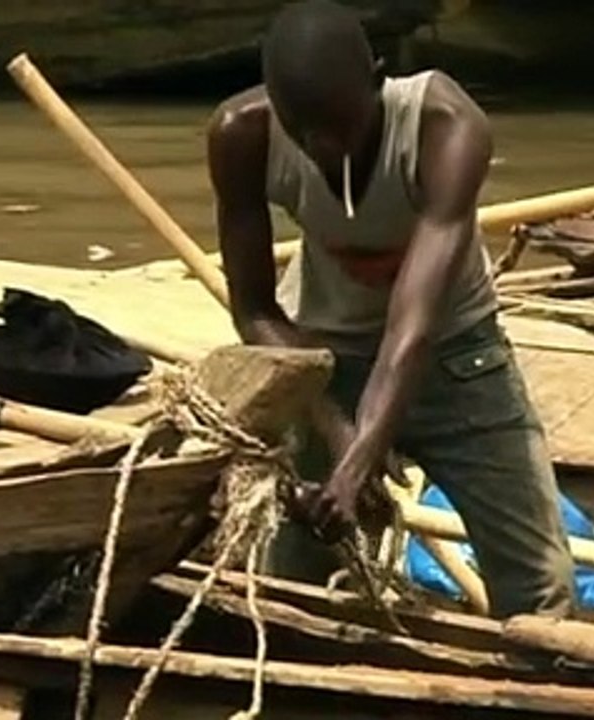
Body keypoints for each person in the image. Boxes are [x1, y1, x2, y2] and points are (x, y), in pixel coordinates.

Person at [205, 0, 575, 619]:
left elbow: (413, 326)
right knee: (292, 588)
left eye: (338, 126)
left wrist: (358, 463)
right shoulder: (241, 135)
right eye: (302, 130)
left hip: (456, 355)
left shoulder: (445, 125)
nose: (323, 149)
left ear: (377, 81)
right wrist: (336, 429)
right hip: (320, 360)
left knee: (541, 586)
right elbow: (256, 312)